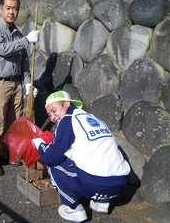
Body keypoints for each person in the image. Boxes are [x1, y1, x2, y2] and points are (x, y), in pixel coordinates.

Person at [32, 91, 131, 222]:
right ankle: (101, 202)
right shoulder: (92, 118)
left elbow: (52, 157)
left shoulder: (67, 120)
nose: (52, 117)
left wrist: (39, 145)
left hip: (96, 183)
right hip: (120, 183)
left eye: (54, 110)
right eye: (49, 114)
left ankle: (73, 209)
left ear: (67, 104)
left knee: (54, 164)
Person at [0, 0, 39, 176]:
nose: (12, 12)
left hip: (16, 84)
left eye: (15, 8)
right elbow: (3, 49)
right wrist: (26, 41)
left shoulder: (18, 33)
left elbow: (24, 63)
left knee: (13, 123)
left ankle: (6, 154)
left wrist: (28, 83)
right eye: (8, 8)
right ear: (1, 9)